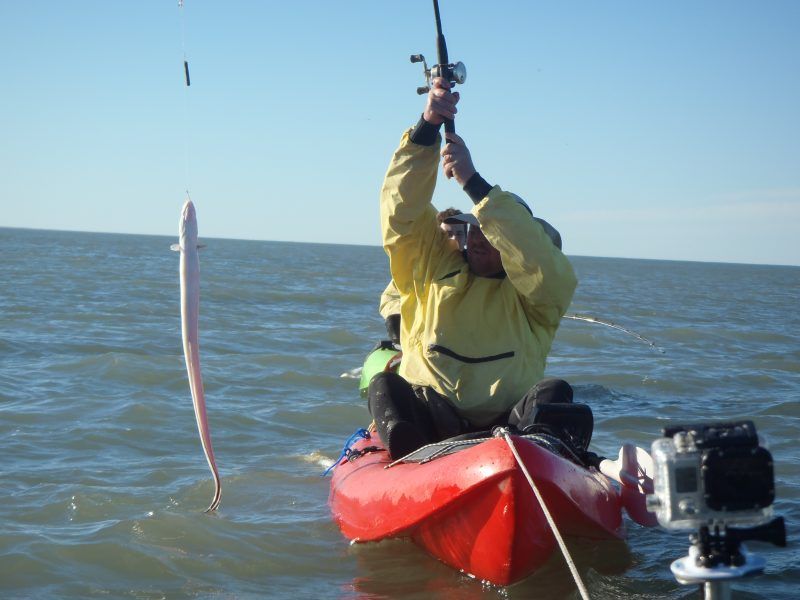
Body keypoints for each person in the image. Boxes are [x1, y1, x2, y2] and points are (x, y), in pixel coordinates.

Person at [368, 77, 579, 458]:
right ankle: (409, 465)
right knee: (387, 388)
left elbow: (535, 256)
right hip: (432, 418)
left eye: (492, 234)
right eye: (475, 229)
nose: (480, 238)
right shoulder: (432, 266)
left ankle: (541, 461)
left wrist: (472, 182)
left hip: (510, 433)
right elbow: (401, 213)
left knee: (554, 391)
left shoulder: (540, 297)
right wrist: (427, 127)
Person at [379, 208, 467, 344]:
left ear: (466, 238)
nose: (454, 238)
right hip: (420, 339)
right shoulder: (420, 267)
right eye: (448, 234)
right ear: (437, 237)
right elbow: (389, 297)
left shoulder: (474, 266)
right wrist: (398, 320)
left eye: (459, 234)